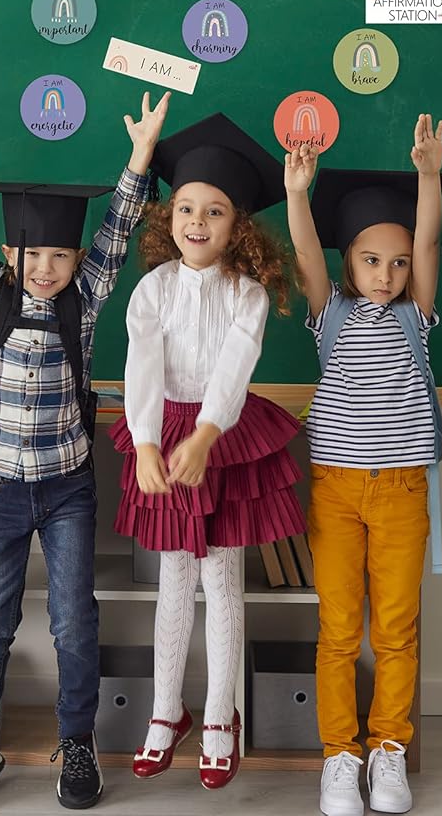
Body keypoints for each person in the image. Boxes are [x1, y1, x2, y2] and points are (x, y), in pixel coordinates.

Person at [0, 79, 167, 813]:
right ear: (9, 252)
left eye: (61, 255)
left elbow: (118, 229)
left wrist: (141, 155)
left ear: (76, 258)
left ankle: (77, 742)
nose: (47, 268)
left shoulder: (83, 300)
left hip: (66, 487)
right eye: (33, 254)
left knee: (73, 622)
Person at [111, 112, 304, 791]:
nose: (197, 221)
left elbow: (234, 368)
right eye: (187, 207)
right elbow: (141, 367)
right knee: (173, 579)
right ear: (170, 217)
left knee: (222, 580)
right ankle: (167, 711)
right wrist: (145, 442)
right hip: (163, 430)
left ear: (237, 226)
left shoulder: (247, 295)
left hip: (223, 436)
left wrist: (206, 434)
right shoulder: (153, 289)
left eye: (214, 211)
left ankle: (222, 716)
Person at [285, 115, 442, 816]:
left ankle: (388, 750)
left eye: (398, 263)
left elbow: (431, 239)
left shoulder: (417, 316)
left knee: (397, 630)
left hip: (403, 490)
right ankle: (339, 756)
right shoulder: (331, 313)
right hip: (336, 491)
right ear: (348, 261)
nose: (387, 274)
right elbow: (303, 251)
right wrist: (297, 193)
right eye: (372, 261)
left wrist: (430, 177)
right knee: (340, 629)